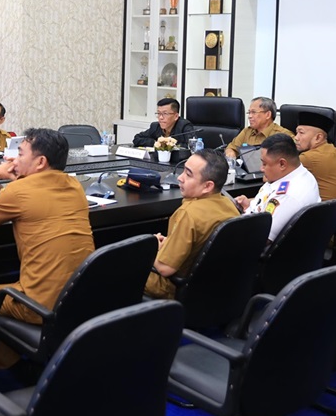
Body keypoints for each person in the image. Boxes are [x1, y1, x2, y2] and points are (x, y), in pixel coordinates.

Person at [0, 128, 94, 365]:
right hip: (78, 299)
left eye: (20, 153)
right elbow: (37, 193)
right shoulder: (75, 185)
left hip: (40, 306)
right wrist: (21, 176)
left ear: (41, 162)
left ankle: (4, 366)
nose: (14, 159)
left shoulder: (18, 192)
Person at [145, 149, 240, 299]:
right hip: (212, 289)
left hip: (174, 288)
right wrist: (168, 245)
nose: (180, 178)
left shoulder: (188, 214)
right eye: (183, 171)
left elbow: (164, 268)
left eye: (188, 174)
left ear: (207, 186)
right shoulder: (229, 204)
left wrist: (153, 247)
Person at [235, 133, 320, 242]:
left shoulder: (288, 195)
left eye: (264, 164)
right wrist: (249, 205)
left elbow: (261, 238)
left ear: (282, 164)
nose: (261, 169)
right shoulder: (299, 174)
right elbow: (267, 202)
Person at [294, 111, 336, 217]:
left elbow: (276, 176)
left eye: (301, 133)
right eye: (296, 132)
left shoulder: (308, 158)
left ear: (318, 138)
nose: (296, 137)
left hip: (330, 222)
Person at [225, 97, 293, 158]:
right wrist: (230, 154)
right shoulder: (247, 132)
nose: (249, 116)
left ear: (268, 115)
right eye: (249, 112)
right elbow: (231, 148)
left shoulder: (283, 135)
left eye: (253, 112)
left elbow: (293, 158)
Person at [132, 98, 197, 147]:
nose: (160, 117)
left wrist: (168, 144)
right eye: (159, 113)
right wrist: (155, 143)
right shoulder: (155, 126)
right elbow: (137, 138)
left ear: (176, 116)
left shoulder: (184, 126)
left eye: (165, 113)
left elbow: (193, 146)